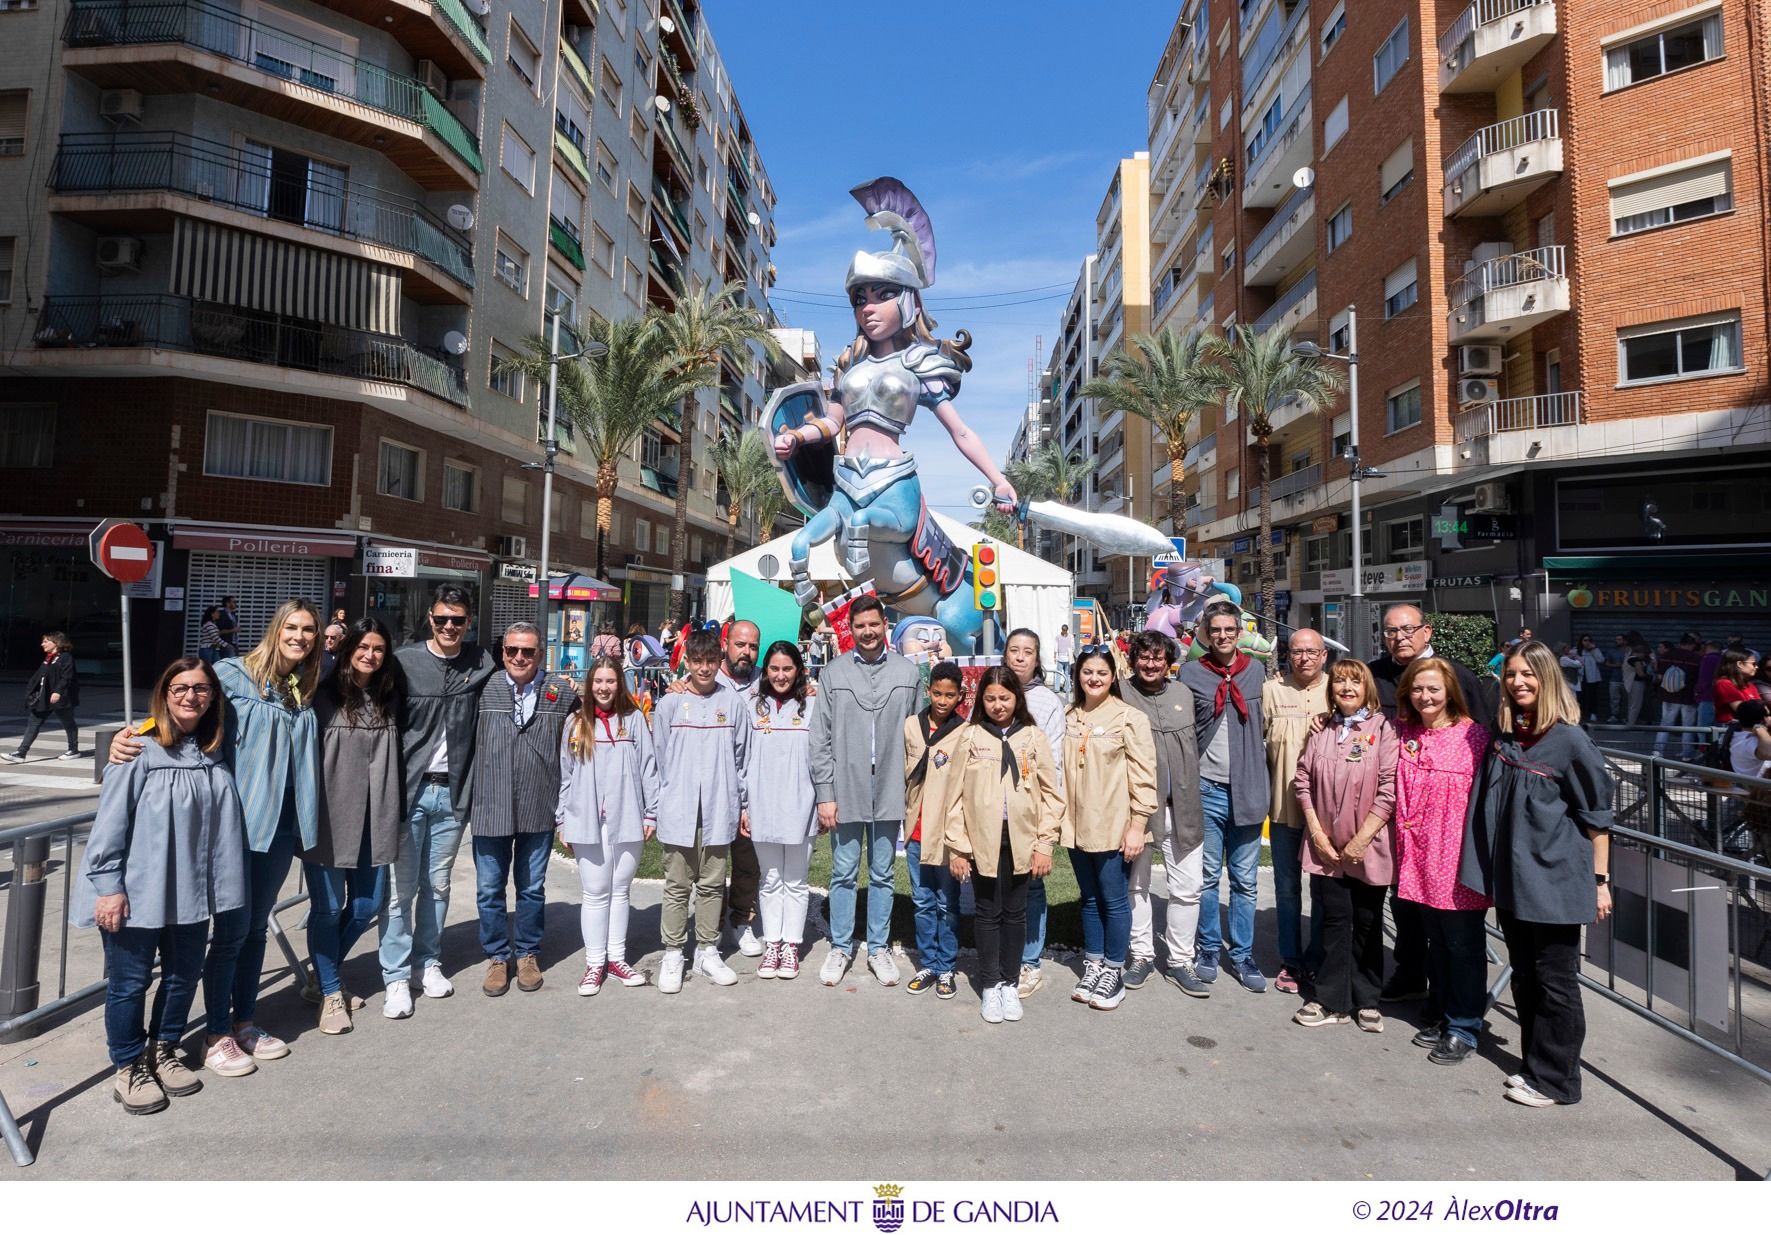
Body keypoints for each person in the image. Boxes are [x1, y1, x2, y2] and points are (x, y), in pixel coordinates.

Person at [113, 598, 324, 1076]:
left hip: (283, 826)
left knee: (253, 930)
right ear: (275, 629)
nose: (300, 636)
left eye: (308, 629)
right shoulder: (232, 674)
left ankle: (245, 1021)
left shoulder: (301, 686)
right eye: (291, 626)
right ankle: (216, 1032)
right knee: (229, 934)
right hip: (239, 826)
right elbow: (186, 711)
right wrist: (133, 736)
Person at [76, 656, 246, 1115]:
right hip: (137, 892)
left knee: (181, 975)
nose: (191, 696)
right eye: (181, 688)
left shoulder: (213, 748)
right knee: (129, 983)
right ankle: (128, 1064)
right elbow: (109, 826)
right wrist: (109, 886)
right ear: (164, 694)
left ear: (213, 696)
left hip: (190, 890)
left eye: (201, 688)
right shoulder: (138, 748)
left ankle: (164, 1048)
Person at [1461, 640, 1615, 1108]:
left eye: (1528, 674)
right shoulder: (1507, 733)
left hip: (1555, 882)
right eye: (1510, 674)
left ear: (1548, 678)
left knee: (1555, 981)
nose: (1518, 682)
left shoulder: (1569, 740)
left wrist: (1601, 882)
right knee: (1526, 974)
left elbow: (1597, 817)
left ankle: (1559, 1081)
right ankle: (1535, 1066)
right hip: (1514, 881)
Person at [380, 584, 497, 1019]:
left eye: (458, 620)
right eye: (442, 619)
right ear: (429, 618)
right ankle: (394, 977)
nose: (449, 626)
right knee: (399, 891)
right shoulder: (405, 663)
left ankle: (426, 962)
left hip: (452, 794)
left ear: (469, 623)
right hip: (409, 793)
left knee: (438, 884)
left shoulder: (480, 663)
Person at [1367, 603, 1486, 1005]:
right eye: (1389, 631)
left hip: (1448, 829)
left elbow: (1481, 740)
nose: (1398, 637)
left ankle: (1452, 1001)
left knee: (1450, 920)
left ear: (1427, 631)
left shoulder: (1457, 676)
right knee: (1404, 904)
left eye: (1406, 629)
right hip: (1397, 817)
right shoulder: (1375, 674)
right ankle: (1411, 972)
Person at [808, 594, 921, 987]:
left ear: (884, 625)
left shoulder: (908, 673)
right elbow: (819, 738)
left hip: (891, 786)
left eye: (874, 624)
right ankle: (840, 947)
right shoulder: (834, 674)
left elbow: (919, 739)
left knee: (884, 872)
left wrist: (915, 793)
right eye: (860, 626)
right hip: (846, 786)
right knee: (842, 871)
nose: (868, 632)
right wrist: (825, 792)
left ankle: (878, 947)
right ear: (851, 629)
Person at [945, 667, 1064, 1024]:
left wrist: (1045, 842)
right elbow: (955, 797)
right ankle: (990, 982)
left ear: (1017, 699)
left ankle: (1010, 982)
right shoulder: (970, 737)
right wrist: (958, 846)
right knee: (987, 912)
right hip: (982, 840)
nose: (998, 705)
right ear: (981, 700)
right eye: (991, 698)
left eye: (1005, 698)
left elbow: (1051, 795)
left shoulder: (1032, 737)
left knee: (1015, 912)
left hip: (1022, 840)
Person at [303, 617, 402, 1036]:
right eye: (363, 647)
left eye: (378, 649)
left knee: (365, 906)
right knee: (326, 908)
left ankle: (319, 975)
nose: (370, 655)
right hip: (328, 818)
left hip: (374, 817)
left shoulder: (391, 694)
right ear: (346, 650)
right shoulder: (321, 694)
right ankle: (329, 991)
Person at [470, 622, 580, 997]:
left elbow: (599, 714)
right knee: (489, 889)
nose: (520, 657)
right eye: (513, 650)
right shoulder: (482, 688)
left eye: (528, 651)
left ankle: (528, 954)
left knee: (531, 888)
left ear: (540, 654)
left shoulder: (561, 692)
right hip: (490, 804)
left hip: (539, 804)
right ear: (502, 653)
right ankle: (498, 957)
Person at [1391, 657, 1492, 1064]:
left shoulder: (1475, 738)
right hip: (1417, 856)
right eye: (1417, 689)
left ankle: (1464, 1026)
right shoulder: (1405, 733)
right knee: (1435, 940)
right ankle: (1440, 1009)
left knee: (1463, 944)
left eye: (1433, 689)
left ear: (1450, 691)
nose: (1425, 696)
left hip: (1456, 859)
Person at [1291, 659, 1397, 1033]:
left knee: (1367, 923)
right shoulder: (1322, 729)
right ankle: (1329, 997)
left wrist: (1362, 839)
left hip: (1367, 844)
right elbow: (1302, 781)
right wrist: (1317, 834)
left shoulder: (1383, 729)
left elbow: (1388, 789)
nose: (1346, 688)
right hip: (1326, 847)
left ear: (1367, 687)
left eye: (1355, 682)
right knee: (1334, 922)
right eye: (1339, 682)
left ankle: (1367, 999)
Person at [1177, 601, 1270, 992]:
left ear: (1239, 632)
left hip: (1248, 788)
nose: (1223, 637)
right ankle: (1210, 948)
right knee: (1208, 876)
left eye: (1229, 630)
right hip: (1207, 788)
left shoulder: (1257, 674)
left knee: (1246, 881)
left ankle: (1243, 953)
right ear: (1205, 633)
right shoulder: (1190, 674)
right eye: (1215, 630)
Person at [653, 627, 751, 992]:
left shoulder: (733, 704)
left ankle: (707, 949)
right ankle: (673, 952)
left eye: (711, 661)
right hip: (680, 809)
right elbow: (660, 757)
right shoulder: (669, 705)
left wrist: (742, 803)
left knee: (712, 884)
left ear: (719, 661)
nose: (705, 668)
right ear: (687, 663)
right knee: (677, 885)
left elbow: (742, 758)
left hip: (718, 806)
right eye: (697, 661)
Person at [1061, 644, 1157, 1011]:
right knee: (1089, 897)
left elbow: (1145, 776)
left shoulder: (1129, 718)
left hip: (1114, 824)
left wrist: (1137, 826)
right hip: (1076, 824)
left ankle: (1114, 970)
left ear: (1113, 676)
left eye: (1102, 672)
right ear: (1077, 676)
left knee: (1113, 898)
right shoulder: (1070, 715)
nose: (1094, 678)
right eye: (1087, 672)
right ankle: (1094, 962)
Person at [556, 656, 658, 996]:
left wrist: (651, 813)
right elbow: (566, 775)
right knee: (596, 891)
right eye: (598, 681)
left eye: (610, 681)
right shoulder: (576, 723)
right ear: (589, 684)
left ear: (620, 683)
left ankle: (617, 958)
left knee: (620, 889)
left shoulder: (634, 721)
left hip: (627, 817)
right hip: (586, 821)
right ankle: (595, 961)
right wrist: (562, 819)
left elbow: (649, 769)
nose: (603, 687)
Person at [1122, 629, 1209, 996]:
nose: (1151, 664)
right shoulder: (1120, 693)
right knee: (1136, 886)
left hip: (1184, 806)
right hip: (1136, 812)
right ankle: (1141, 955)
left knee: (1187, 889)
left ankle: (1179, 960)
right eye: (1144, 657)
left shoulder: (1184, 694)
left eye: (1158, 657)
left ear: (1169, 661)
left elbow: (1200, 736)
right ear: (1133, 659)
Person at [741, 641, 818, 980]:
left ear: (799, 670)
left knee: (796, 880)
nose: (781, 675)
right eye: (774, 668)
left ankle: (791, 946)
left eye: (788, 668)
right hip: (763, 805)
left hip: (802, 804)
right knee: (770, 878)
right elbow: (742, 759)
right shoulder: (752, 705)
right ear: (765, 670)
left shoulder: (815, 704)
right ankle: (772, 943)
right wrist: (745, 804)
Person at [1261, 626, 1331, 993]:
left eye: (1311, 651)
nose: (1303, 657)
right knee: (1286, 887)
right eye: (1297, 651)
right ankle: (1291, 959)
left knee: (1323, 890)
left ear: (1324, 656)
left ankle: (1319, 960)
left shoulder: (1338, 691)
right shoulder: (1272, 690)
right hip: (1284, 810)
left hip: (1326, 815)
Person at [1002, 628, 1065, 999]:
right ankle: (1000, 955)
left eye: (1028, 652)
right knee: (997, 883)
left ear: (1037, 659)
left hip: (1030, 808)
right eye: (1014, 650)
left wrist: (1045, 819)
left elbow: (1053, 764)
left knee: (1031, 886)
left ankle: (1029, 961)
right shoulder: (990, 692)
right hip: (994, 809)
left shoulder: (1047, 702)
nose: (1020, 657)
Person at [902, 661, 968, 998]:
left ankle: (947, 967)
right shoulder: (911, 727)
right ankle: (928, 962)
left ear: (960, 696)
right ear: (928, 691)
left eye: (950, 695)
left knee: (947, 903)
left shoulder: (964, 732)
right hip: (916, 832)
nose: (943, 701)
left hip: (946, 835)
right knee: (922, 901)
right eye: (937, 693)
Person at [9, 631, 81, 762]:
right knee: (33, 723)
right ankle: (21, 753)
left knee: (68, 723)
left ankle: (73, 749)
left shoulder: (65, 657)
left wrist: (58, 691)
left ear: (56, 642)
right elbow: (40, 677)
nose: (42, 644)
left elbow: (67, 677)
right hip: (44, 698)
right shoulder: (49, 658)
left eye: (46, 641)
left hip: (62, 698)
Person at [1652, 633, 1703, 760]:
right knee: (1687, 726)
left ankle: (1658, 752)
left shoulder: (1666, 656)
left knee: (1665, 724)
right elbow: (1699, 678)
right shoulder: (1696, 658)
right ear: (1692, 645)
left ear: (1680, 643)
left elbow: (1659, 677)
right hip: (1688, 696)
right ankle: (1686, 754)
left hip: (1668, 694)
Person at [1713, 648, 1759, 725]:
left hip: (1752, 728)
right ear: (1740, 664)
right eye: (1753, 664)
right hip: (1733, 730)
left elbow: (1763, 708)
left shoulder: (1750, 685)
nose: (1757, 667)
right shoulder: (1724, 684)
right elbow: (1742, 711)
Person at [1576, 636, 1607, 724]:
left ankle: (1593, 713)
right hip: (1581, 677)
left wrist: (1593, 650)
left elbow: (1601, 660)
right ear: (1581, 641)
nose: (1587, 642)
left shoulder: (1595, 650)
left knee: (1593, 696)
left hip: (1593, 677)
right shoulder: (1577, 650)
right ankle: (1581, 714)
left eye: (1589, 640)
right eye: (1585, 640)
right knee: (1581, 696)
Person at [1694, 639, 1726, 728]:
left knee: (1702, 728)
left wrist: (1698, 693)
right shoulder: (1724, 659)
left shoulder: (1708, 659)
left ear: (1708, 647)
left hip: (1707, 696)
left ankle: (1703, 742)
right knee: (1720, 727)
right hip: (1722, 697)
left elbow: (1704, 678)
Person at [1054, 624, 1074, 693]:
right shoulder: (1070, 637)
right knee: (1066, 674)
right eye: (1064, 630)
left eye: (1064, 630)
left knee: (1059, 673)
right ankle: (1067, 688)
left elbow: (1056, 647)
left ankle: (1057, 688)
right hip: (1066, 657)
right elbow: (1072, 647)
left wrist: (1055, 656)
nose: (1064, 631)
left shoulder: (1058, 637)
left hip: (1063, 657)